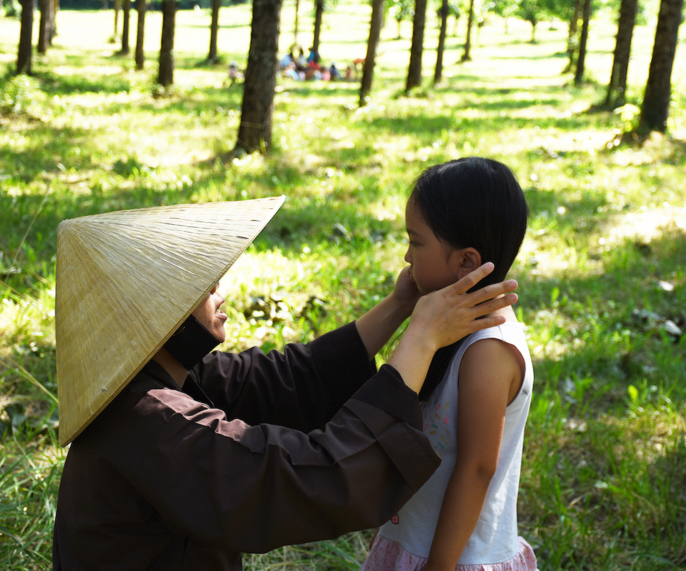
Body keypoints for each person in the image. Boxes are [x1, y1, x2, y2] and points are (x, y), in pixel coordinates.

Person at [51, 197, 519, 571]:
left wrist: (400, 305)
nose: (222, 294)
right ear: (156, 316)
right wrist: (420, 338)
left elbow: (287, 379)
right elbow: (305, 480)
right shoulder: (151, 423)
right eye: (207, 288)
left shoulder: (162, 378)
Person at [360, 158, 538, 571]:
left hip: (456, 557)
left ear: (466, 262)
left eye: (416, 242)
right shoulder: (441, 329)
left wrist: (439, 566)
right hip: (411, 540)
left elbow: (478, 467)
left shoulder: (487, 350)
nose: (406, 255)